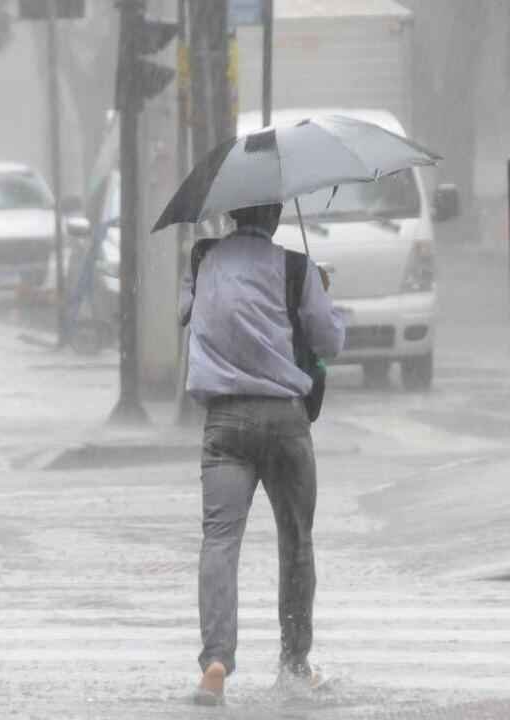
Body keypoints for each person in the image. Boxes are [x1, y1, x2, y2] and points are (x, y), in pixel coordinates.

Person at [179, 202, 345, 706]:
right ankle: (295, 664)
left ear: (231, 212)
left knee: (220, 542)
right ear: (275, 216)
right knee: (296, 543)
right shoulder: (295, 268)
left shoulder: (204, 259)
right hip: (286, 421)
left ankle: (215, 660)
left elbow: (186, 316)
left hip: (225, 420)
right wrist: (318, 291)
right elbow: (329, 342)